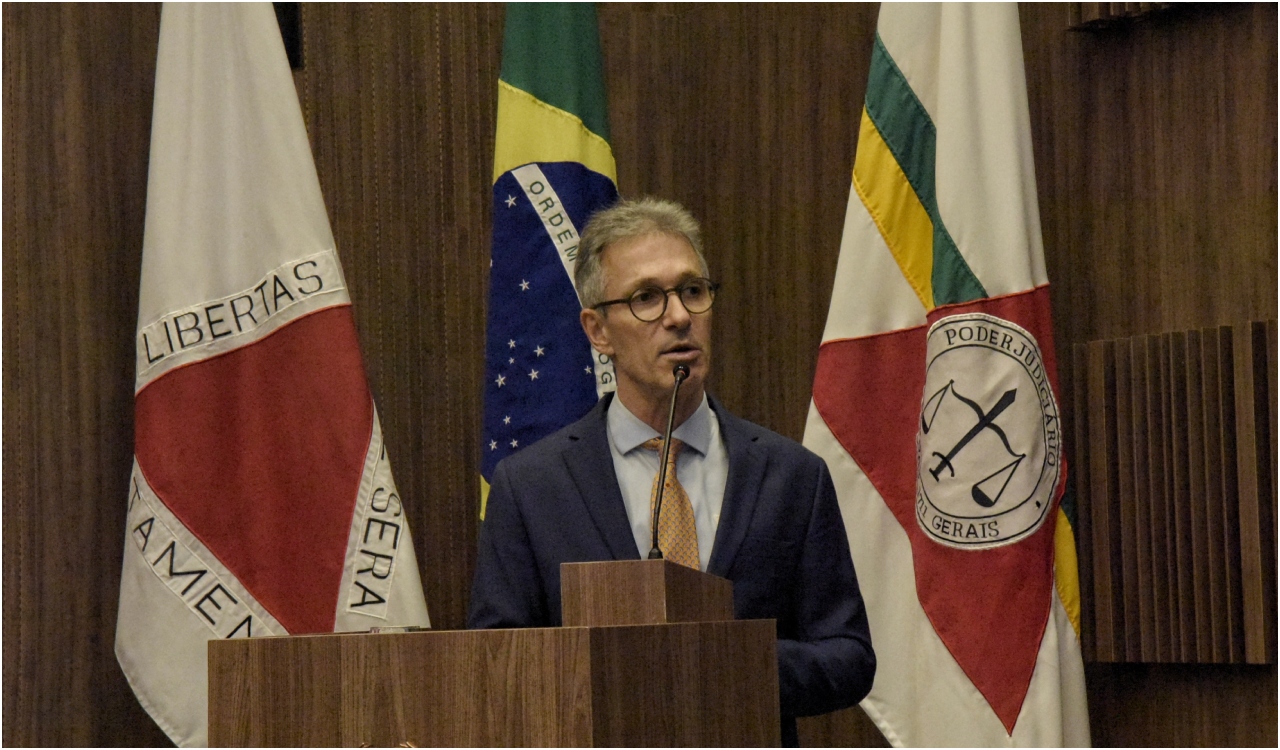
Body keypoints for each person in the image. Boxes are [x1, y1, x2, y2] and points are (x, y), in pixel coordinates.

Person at [468, 197, 875, 746]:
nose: (679, 316)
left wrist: (720, 667)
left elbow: (848, 658)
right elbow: (497, 664)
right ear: (598, 331)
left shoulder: (790, 475)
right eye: (646, 298)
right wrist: (621, 671)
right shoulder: (531, 486)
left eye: (692, 291)